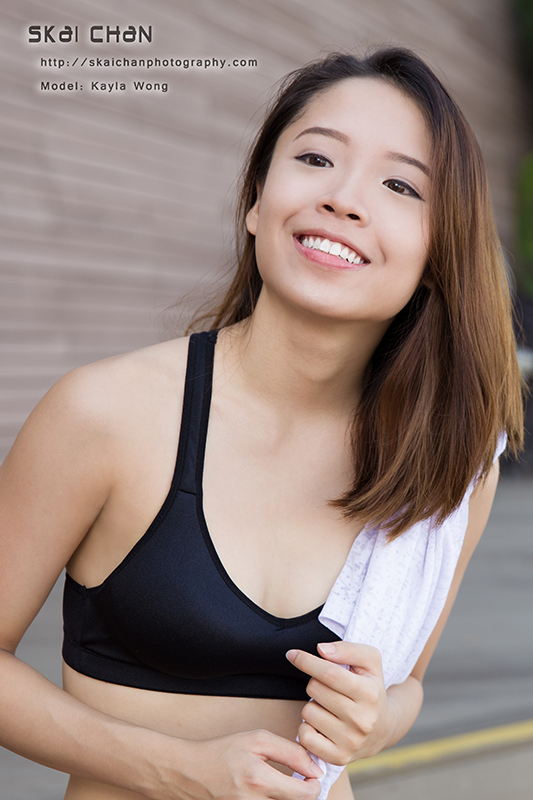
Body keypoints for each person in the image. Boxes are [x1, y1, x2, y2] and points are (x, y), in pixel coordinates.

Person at [0, 47, 523, 800]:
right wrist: (176, 771)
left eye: (400, 184)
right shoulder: (106, 414)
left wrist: (375, 718)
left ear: (437, 251)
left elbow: (406, 687)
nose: (344, 199)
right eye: (315, 158)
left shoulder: (447, 464)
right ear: (255, 200)